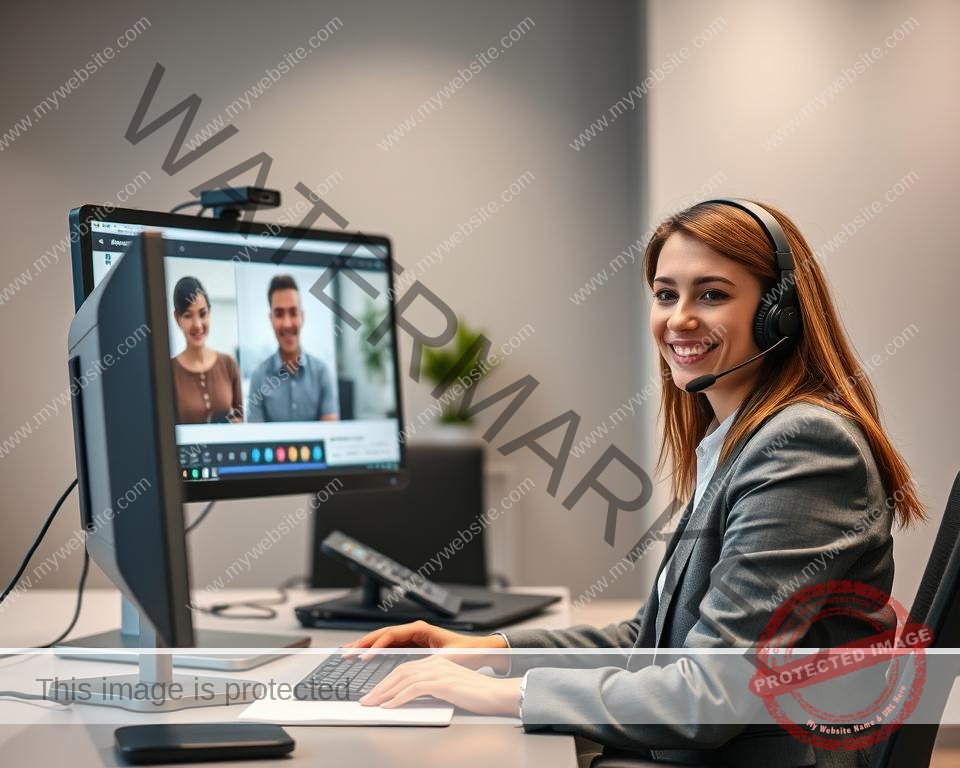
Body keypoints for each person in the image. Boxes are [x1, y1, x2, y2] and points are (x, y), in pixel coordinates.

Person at [340, 200, 925, 766]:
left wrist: (502, 695)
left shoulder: (802, 447)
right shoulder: (737, 440)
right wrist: (486, 653)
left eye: (712, 295)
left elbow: (708, 699)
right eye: (666, 294)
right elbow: (651, 639)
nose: (679, 319)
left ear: (780, 314)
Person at [246, 274, 339, 422]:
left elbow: (331, 432)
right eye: (279, 314)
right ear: (271, 319)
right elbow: (256, 435)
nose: (287, 324)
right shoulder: (258, 377)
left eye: (293, 313)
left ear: (302, 317)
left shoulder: (322, 374)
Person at [171, 276, 242, 424]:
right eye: (188, 316)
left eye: (202, 314)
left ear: (209, 313)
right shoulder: (169, 372)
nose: (197, 325)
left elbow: (241, 418)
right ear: (177, 318)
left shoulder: (228, 364)